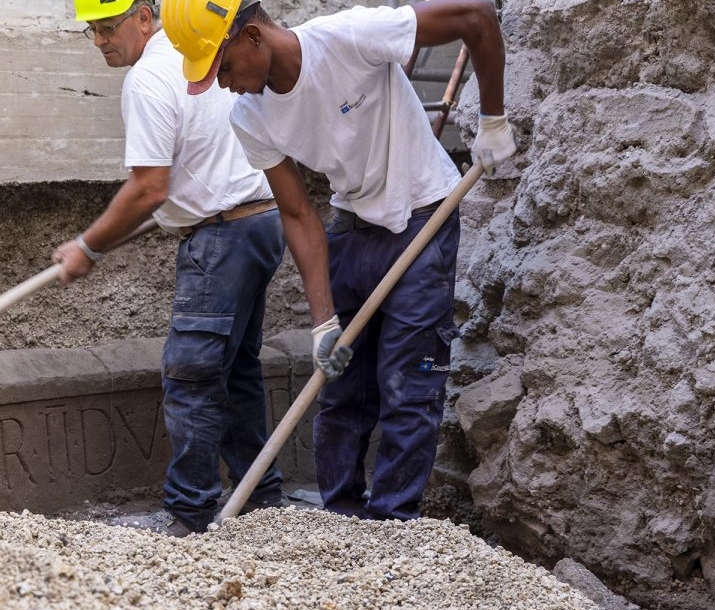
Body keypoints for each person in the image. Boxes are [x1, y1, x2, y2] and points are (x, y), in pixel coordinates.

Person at [162, 0, 517, 520]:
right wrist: (323, 321)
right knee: (340, 388)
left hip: (423, 215)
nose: (223, 85)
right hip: (352, 228)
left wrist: (493, 118)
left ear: (253, 37)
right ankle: (342, 524)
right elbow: (299, 214)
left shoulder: (350, 37)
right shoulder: (250, 118)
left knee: (409, 386)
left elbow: (476, 16)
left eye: (224, 68)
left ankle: (393, 525)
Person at [55, 0, 286, 535]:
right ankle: (262, 499)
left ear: (143, 16)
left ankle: (189, 512)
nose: (100, 41)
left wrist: (87, 247)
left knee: (192, 374)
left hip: (222, 235)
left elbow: (148, 187)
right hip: (259, 220)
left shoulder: (149, 79)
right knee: (238, 370)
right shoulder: (196, 57)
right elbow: (178, 177)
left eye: (107, 27)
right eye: (92, 31)